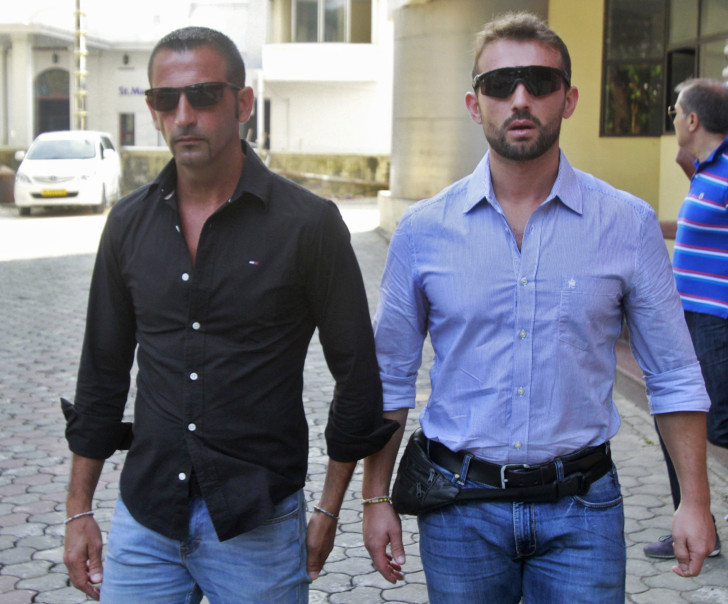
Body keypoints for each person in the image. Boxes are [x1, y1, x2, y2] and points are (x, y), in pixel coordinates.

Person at [362, 12, 716, 603]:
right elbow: (390, 379)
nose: (519, 99)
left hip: (583, 511)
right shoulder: (423, 231)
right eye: (500, 85)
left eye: (539, 83)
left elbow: (675, 375)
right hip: (459, 513)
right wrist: (376, 500)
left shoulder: (625, 225)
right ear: (475, 105)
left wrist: (695, 504)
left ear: (569, 98)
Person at [61, 26, 397, 603]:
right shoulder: (128, 224)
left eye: (205, 95)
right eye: (167, 100)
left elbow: (358, 377)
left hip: (258, 523)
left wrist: (329, 508)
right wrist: (78, 510)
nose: (184, 114)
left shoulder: (308, 225)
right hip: (147, 520)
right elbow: (102, 374)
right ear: (153, 110)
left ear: (242, 103)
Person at [644, 78, 728, 560]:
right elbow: (701, 228)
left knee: (719, 427)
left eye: (676, 112)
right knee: (673, 415)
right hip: (689, 319)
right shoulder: (706, 170)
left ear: (692, 120)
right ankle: (696, 526)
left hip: (716, 321)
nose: (673, 119)